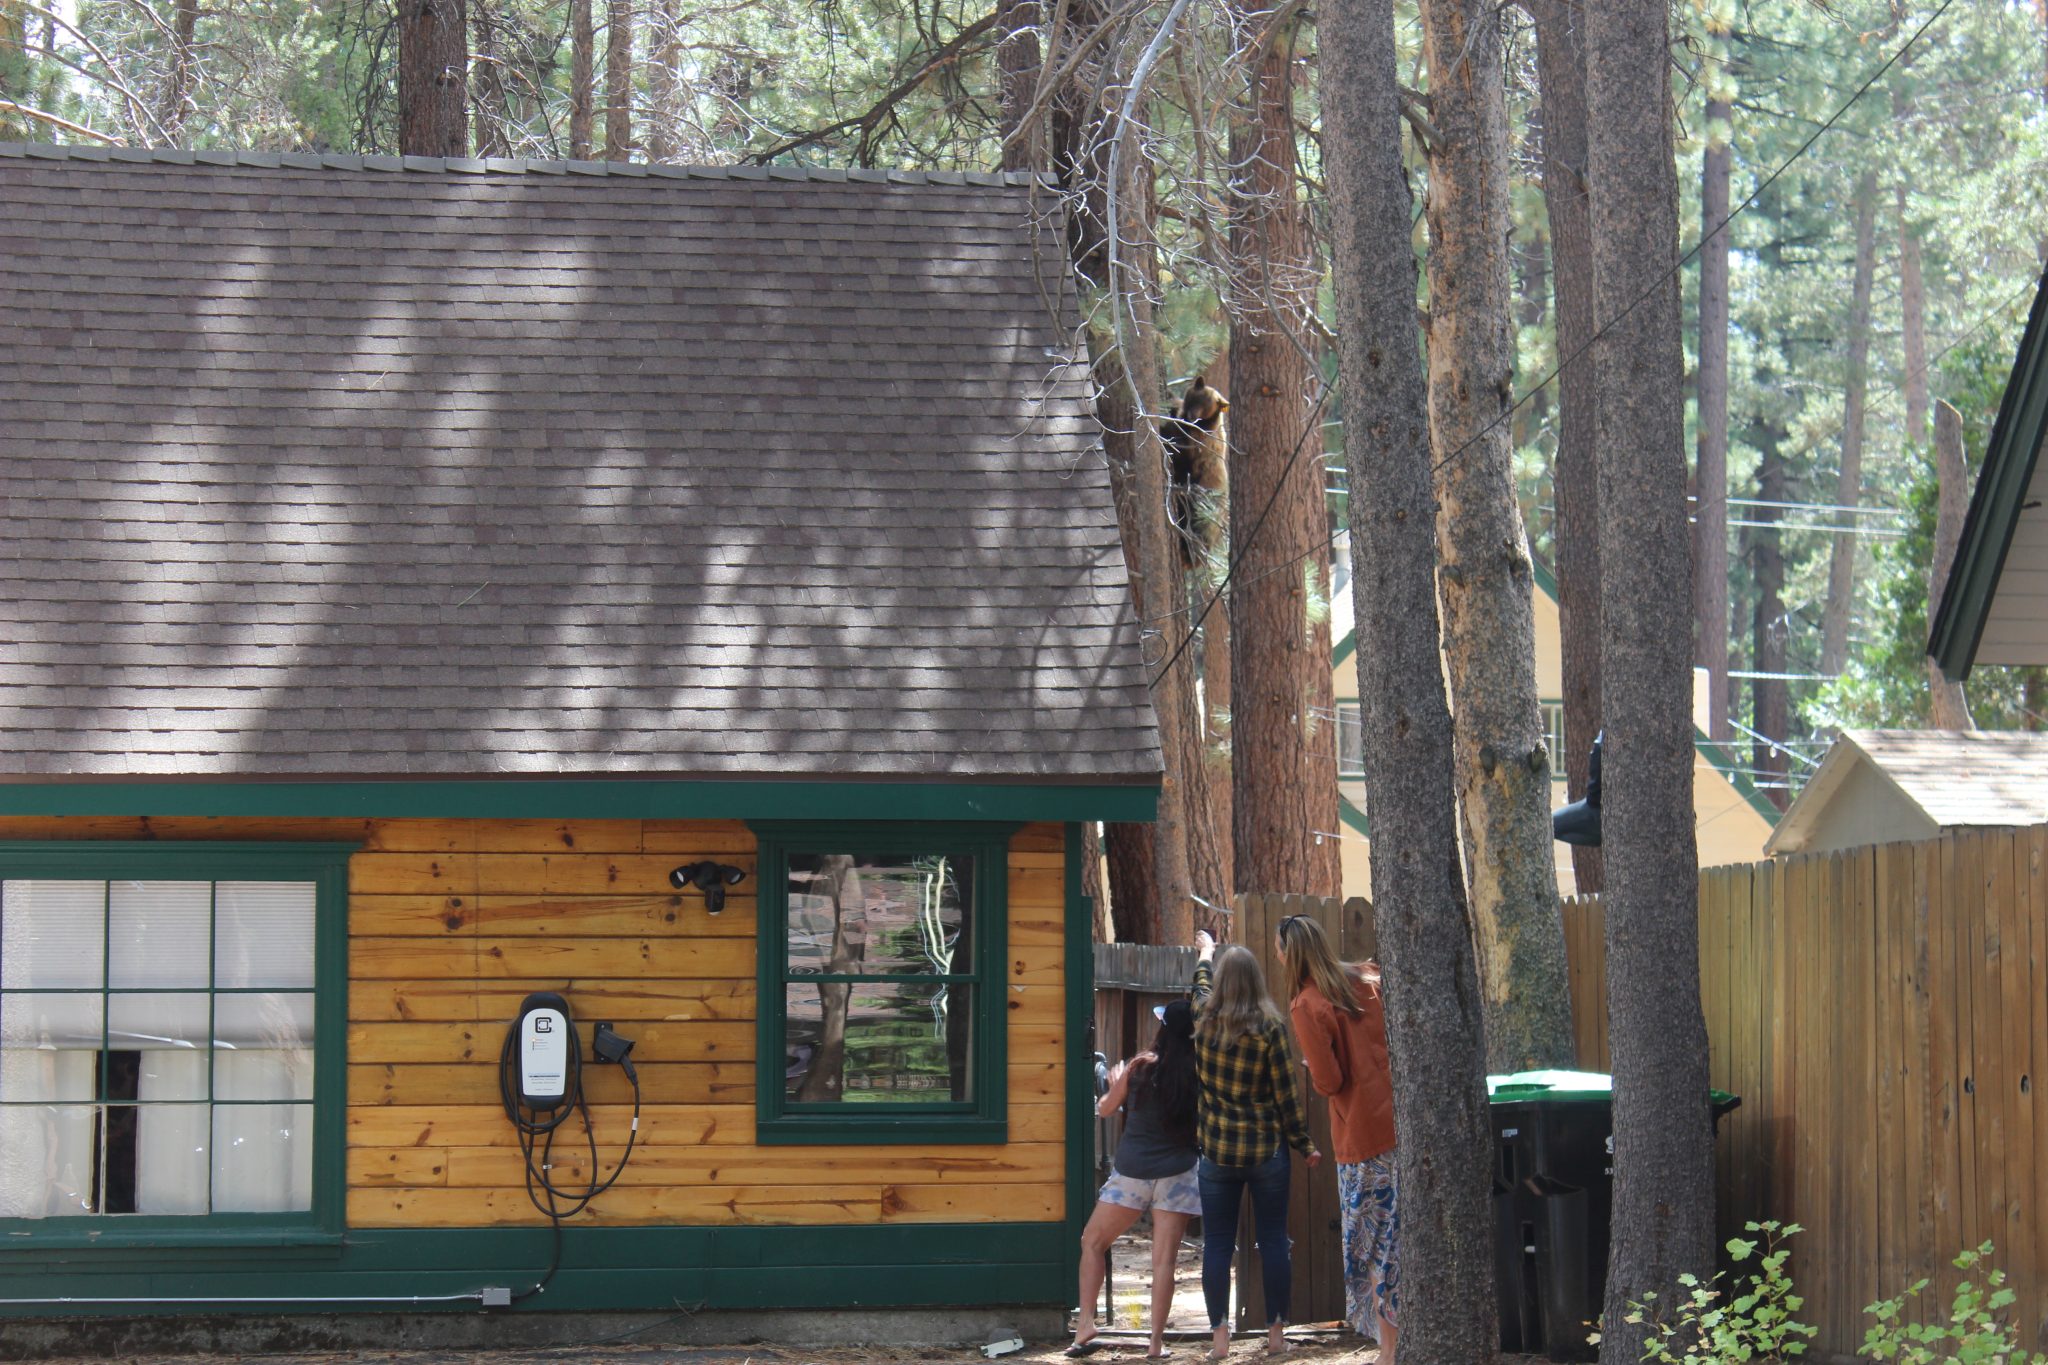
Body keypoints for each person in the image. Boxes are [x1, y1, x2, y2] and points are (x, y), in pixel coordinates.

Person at [1190, 929, 1319, 1360]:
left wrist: (1206, 954)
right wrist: (1304, 1144)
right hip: (1266, 1152)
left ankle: (1220, 1341)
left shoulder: (1202, 1020)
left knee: (1218, 1245)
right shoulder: (1270, 1028)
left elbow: (1200, 987)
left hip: (1217, 1153)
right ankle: (1276, 1336)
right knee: (1273, 1240)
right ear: (1257, 982)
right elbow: (1287, 1095)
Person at [1275, 913, 1398, 1356]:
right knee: (1399, 1242)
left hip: (1361, 1138)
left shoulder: (1307, 1003)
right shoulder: (1368, 977)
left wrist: (1313, 1069)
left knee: (1372, 1248)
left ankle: (1390, 1351)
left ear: (1289, 955)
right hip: (1401, 1125)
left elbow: (1329, 1082)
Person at [1068, 998, 1201, 1360]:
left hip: (1133, 1172)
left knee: (1093, 1242)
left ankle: (1085, 1326)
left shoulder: (1140, 1066)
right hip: (1179, 1174)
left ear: (1162, 1028)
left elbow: (1106, 1109)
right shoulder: (1199, 1070)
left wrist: (1113, 1084)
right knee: (1164, 1262)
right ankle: (1156, 1344)